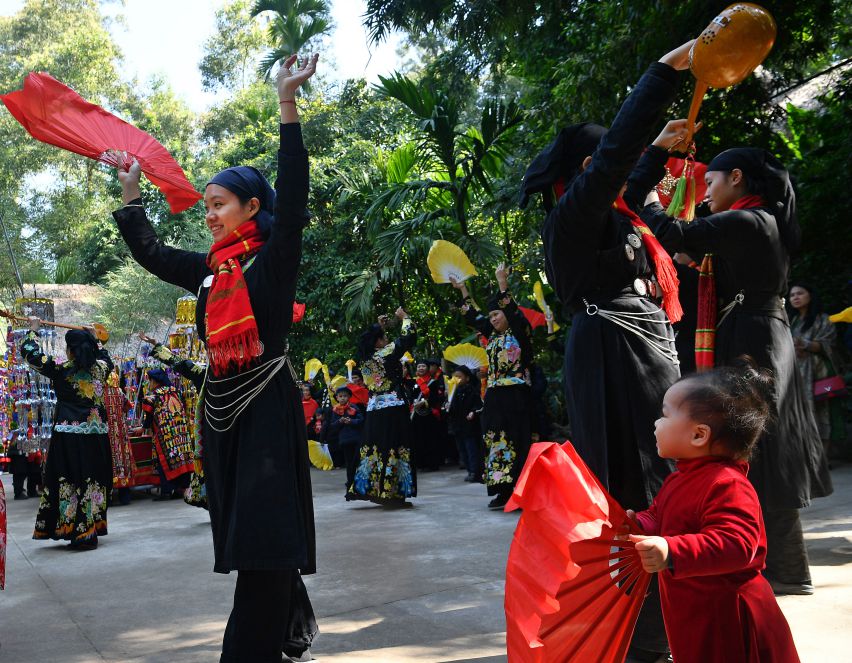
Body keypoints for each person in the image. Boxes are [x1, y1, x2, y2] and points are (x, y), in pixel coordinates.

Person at [112, 54, 319, 662]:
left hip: (266, 412)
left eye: (220, 203)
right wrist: (131, 195)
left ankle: (250, 648)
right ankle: (283, 622)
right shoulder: (210, 273)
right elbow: (151, 252)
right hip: (222, 417)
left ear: (252, 209)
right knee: (248, 542)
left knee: (263, 542)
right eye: (206, 205)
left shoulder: (271, 262)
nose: (209, 214)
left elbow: (297, 190)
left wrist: (287, 106)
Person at [518, 41, 697, 661]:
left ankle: (660, 624)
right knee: (632, 488)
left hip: (639, 348)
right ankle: (642, 639)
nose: (619, 176)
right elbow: (620, 161)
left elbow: (635, 170)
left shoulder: (611, 213)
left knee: (665, 482)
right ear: (588, 169)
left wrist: (664, 145)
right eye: (605, 165)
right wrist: (666, 72)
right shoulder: (573, 215)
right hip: (611, 358)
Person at [642, 148, 833, 596]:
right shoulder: (755, 223)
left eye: (712, 182)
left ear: (738, 179)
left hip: (756, 339)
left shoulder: (751, 221)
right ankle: (783, 567)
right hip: (755, 332)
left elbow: (671, 232)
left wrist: (651, 192)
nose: (706, 191)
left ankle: (785, 570)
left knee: (762, 445)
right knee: (758, 446)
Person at [629, 361, 800, 663]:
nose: (656, 423)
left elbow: (737, 543)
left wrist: (672, 549)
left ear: (699, 435)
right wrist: (639, 523)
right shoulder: (680, 477)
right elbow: (661, 516)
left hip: (730, 618)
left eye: (665, 415)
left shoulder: (728, 484)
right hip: (696, 611)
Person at [20, 320, 113, 550]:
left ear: (70, 350)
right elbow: (106, 357)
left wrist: (33, 331)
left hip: (68, 439)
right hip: (97, 437)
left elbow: (31, 354)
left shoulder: (62, 370)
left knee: (69, 481)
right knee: (93, 479)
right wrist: (95, 338)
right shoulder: (101, 368)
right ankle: (88, 528)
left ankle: (74, 528)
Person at [452, 263, 536, 510]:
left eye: (496, 314)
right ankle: (502, 491)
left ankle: (522, 492)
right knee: (496, 442)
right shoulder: (493, 335)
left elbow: (511, 308)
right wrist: (463, 290)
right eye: (491, 316)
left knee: (518, 441)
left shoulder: (520, 331)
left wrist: (502, 283)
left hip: (517, 395)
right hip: (494, 396)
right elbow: (472, 316)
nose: (492, 319)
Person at [350, 307, 417, 506]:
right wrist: (405, 318)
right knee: (395, 446)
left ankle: (375, 490)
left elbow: (368, 338)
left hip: (374, 410)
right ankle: (393, 494)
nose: (387, 339)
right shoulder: (386, 353)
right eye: (384, 336)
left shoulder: (364, 359)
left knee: (375, 448)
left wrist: (378, 326)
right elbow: (408, 338)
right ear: (378, 342)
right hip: (393, 408)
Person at [142, 334, 209, 510]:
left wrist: (157, 346)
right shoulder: (176, 389)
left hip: (180, 435)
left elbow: (179, 363)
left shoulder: (205, 373)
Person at [788, 283, 840, 457]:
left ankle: (822, 458)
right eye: (792, 295)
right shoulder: (792, 321)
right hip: (796, 375)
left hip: (819, 375)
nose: (795, 297)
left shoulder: (824, 319)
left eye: (800, 293)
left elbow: (828, 345)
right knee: (798, 413)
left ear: (810, 295)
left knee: (822, 412)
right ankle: (804, 457)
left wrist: (804, 344)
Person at [141, 368, 194, 500]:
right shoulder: (177, 391)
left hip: (166, 435)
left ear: (155, 381)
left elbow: (148, 419)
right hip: (181, 432)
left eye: (150, 381)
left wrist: (143, 428)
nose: (149, 384)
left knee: (164, 460)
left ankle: (166, 491)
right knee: (181, 458)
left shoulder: (152, 397)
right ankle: (180, 490)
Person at [446, 365, 484, 483]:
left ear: (467, 378)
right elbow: (451, 410)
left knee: (471, 449)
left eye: (459, 377)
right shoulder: (452, 392)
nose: (456, 379)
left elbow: (478, 405)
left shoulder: (472, 390)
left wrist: (473, 412)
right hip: (457, 426)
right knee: (462, 450)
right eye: (454, 377)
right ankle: (469, 470)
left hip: (469, 426)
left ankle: (475, 471)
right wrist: (447, 406)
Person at [328, 386, 365, 494]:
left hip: (356, 439)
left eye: (345, 396)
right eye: (340, 396)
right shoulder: (335, 410)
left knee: (357, 461)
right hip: (345, 441)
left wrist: (351, 421)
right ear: (337, 398)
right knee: (349, 463)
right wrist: (340, 421)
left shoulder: (354, 407)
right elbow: (332, 426)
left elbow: (361, 420)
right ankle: (350, 482)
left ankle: (359, 481)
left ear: (349, 397)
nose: (343, 398)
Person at [411, 360, 444, 471]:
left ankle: (432, 464)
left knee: (430, 439)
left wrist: (424, 403)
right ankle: (422, 464)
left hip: (429, 414)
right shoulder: (413, 383)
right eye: (419, 366)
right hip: (417, 415)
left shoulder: (433, 382)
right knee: (418, 439)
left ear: (428, 368)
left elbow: (436, 398)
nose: (421, 368)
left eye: (423, 366)